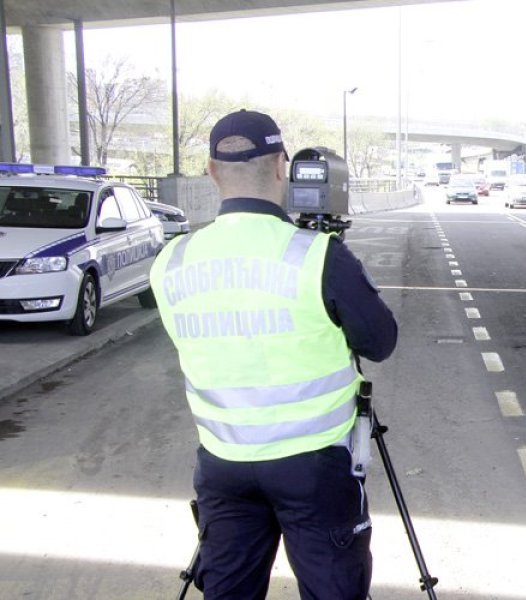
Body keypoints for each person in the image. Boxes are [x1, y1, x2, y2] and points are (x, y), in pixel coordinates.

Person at [150, 109, 398, 599]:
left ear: (212, 171)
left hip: (222, 464)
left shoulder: (171, 261)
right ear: (282, 167)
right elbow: (379, 341)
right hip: (314, 466)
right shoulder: (317, 254)